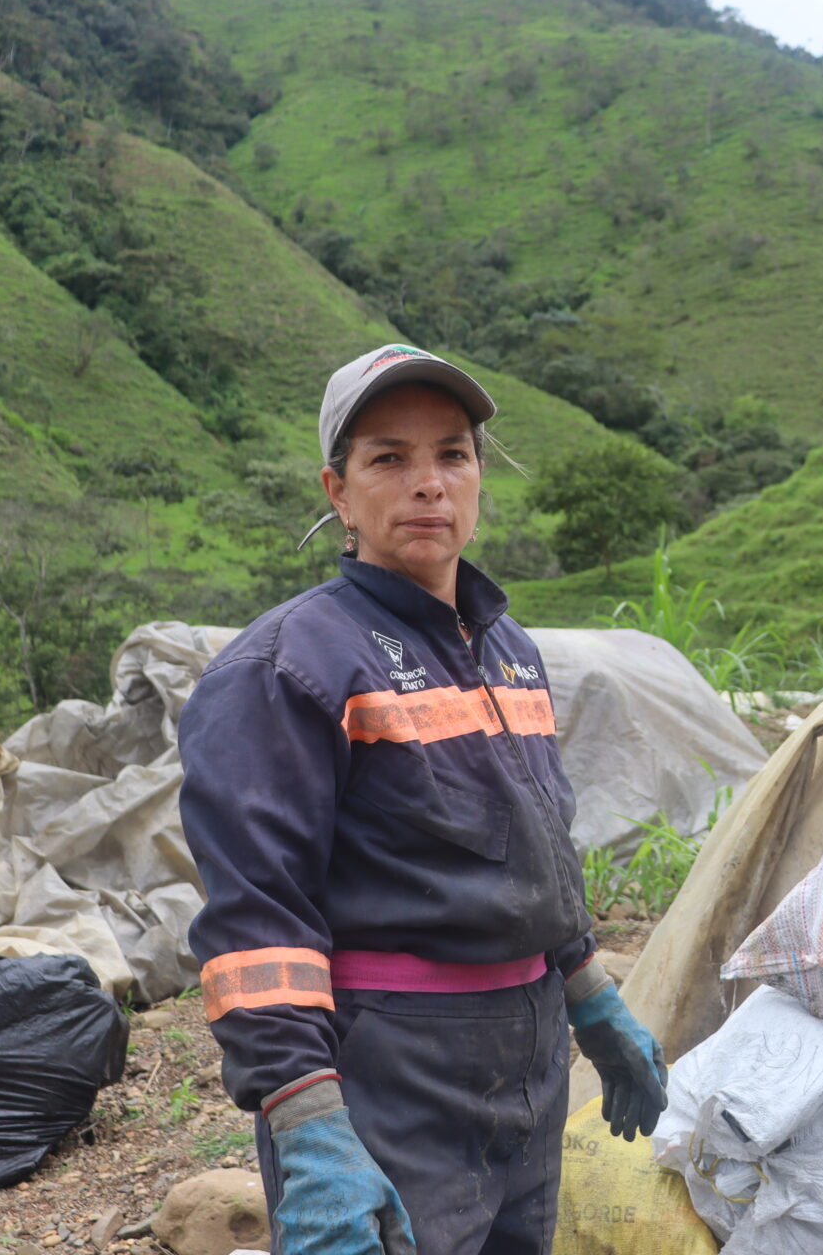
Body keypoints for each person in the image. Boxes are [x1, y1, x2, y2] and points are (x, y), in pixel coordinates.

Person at [179, 343, 669, 1255]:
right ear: (338, 490)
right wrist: (308, 1122)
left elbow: (533, 850)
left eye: (452, 453)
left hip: (527, 1058)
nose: (429, 485)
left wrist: (591, 995)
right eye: (388, 459)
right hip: (390, 1067)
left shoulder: (509, 650)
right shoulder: (288, 667)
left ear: (480, 475)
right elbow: (257, 920)